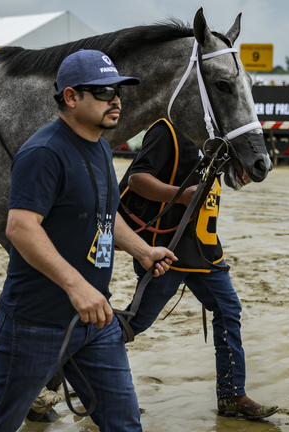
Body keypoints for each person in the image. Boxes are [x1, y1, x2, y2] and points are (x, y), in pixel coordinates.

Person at [0, 49, 177, 432]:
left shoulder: (99, 147)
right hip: (36, 324)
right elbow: (21, 227)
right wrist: (78, 287)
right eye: (103, 91)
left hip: (96, 321)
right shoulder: (44, 152)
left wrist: (143, 250)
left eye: (118, 90)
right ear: (71, 97)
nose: (116, 100)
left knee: (124, 424)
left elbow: (105, 214)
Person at [117, 118, 279, 420]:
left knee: (229, 310)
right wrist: (181, 194)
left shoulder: (218, 136)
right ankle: (78, 366)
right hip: (166, 248)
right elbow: (136, 179)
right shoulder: (167, 129)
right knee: (135, 322)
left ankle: (232, 395)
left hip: (206, 250)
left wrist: (239, 173)